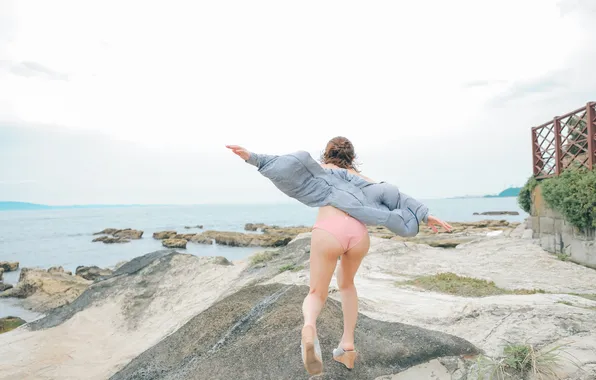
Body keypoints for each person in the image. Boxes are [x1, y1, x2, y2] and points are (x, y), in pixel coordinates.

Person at [226, 137, 452, 375]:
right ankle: (347, 348)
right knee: (346, 284)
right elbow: (398, 198)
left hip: (329, 231)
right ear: (353, 158)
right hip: (358, 236)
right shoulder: (366, 181)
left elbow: (285, 165)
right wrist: (426, 216)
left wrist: (252, 158)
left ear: (326, 154)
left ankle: (309, 327)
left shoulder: (321, 170)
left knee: (316, 292)